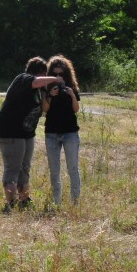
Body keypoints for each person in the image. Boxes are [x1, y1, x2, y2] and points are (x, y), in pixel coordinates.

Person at [0, 56, 65, 212]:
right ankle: (10, 204)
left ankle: (24, 200)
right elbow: (36, 81)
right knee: (12, 168)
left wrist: (49, 93)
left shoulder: (39, 89)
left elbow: (45, 108)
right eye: (45, 74)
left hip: (25, 133)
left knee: (24, 167)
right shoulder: (23, 78)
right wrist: (56, 79)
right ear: (40, 72)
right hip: (9, 131)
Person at [42, 54, 81, 206]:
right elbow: (45, 109)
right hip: (51, 132)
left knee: (72, 167)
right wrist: (50, 95)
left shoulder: (72, 87)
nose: (58, 77)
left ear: (66, 74)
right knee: (54, 169)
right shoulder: (46, 88)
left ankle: (75, 202)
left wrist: (71, 95)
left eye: (61, 74)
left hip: (70, 132)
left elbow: (76, 109)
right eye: (55, 74)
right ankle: (56, 202)